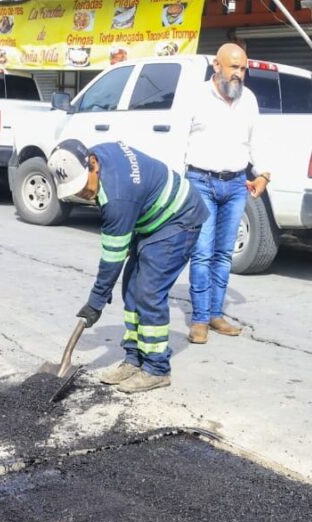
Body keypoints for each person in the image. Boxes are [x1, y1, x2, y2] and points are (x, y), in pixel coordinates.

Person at [49, 139, 208, 393]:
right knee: (131, 289)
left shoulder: (117, 196)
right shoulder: (95, 156)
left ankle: (156, 368)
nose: (83, 195)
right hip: (149, 216)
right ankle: (134, 358)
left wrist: (95, 302)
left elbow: (112, 258)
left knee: (148, 292)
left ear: (92, 164)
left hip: (179, 218)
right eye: (76, 192)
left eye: (82, 187)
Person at [184, 43, 269, 344]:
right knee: (203, 252)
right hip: (201, 182)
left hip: (236, 185)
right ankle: (199, 320)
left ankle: (216, 314)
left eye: (243, 68)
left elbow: (256, 140)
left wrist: (264, 174)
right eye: (234, 67)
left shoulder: (249, 99)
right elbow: (177, 139)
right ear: (216, 66)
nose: (239, 74)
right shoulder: (195, 96)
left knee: (223, 254)